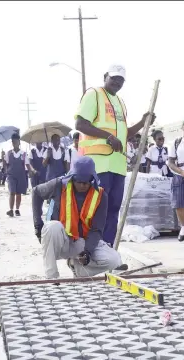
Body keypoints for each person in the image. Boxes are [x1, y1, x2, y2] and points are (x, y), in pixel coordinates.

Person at [74, 64, 155, 246]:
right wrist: (108, 136)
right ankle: (89, 248)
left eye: (121, 80)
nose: (117, 83)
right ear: (105, 76)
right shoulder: (94, 94)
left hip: (117, 165)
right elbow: (80, 124)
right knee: (95, 209)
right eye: (114, 78)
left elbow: (124, 134)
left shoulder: (120, 102)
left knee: (113, 210)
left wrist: (143, 122)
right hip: (98, 164)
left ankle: (107, 249)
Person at [32, 156, 124, 279]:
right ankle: (52, 276)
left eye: (86, 182)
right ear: (72, 177)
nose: (82, 185)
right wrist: (38, 224)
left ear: (92, 179)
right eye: (78, 182)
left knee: (114, 260)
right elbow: (36, 192)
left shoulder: (101, 196)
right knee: (51, 227)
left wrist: (88, 252)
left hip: (82, 242)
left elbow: (96, 229)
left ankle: (78, 268)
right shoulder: (59, 185)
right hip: (61, 241)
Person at [4, 133, 36, 217]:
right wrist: (6, 171)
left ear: (19, 142)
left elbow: (27, 164)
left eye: (16, 141)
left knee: (18, 193)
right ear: (12, 143)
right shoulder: (8, 153)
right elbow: (6, 164)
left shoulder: (24, 154)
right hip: (11, 175)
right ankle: (11, 209)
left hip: (21, 176)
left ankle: (17, 209)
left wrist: (31, 171)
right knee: (12, 192)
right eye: (13, 142)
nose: (15, 143)